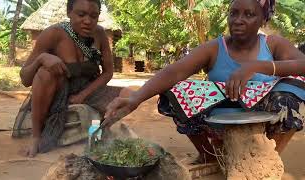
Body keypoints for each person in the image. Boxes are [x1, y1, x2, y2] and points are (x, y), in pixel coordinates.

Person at [105, 0, 305, 163]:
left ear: (263, 19)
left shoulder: (273, 44)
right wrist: (136, 98)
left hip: (262, 122)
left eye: (249, 14)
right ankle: (209, 157)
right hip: (218, 122)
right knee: (173, 91)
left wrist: (259, 66)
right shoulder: (214, 48)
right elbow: (174, 72)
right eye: (233, 13)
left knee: (292, 88)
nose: (238, 20)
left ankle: (267, 160)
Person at [17, 0, 122, 157]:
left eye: (94, 16)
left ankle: (101, 129)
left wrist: (83, 95)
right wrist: (42, 59)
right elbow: (25, 79)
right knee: (44, 73)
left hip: (87, 91)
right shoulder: (53, 34)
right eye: (81, 14)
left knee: (130, 97)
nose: (87, 21)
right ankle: (37, 137)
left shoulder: (100, 34)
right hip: (58, 92)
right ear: (69, 13)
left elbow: (108, 73)